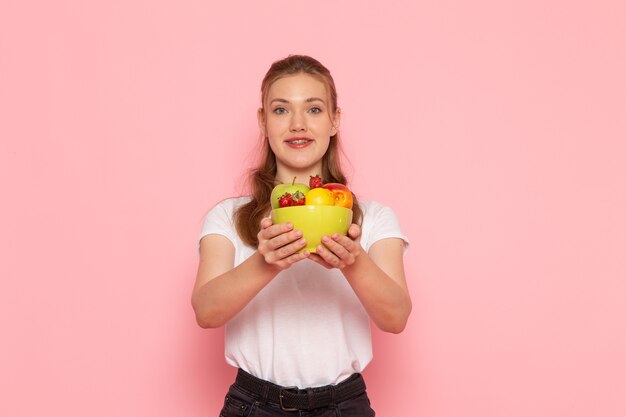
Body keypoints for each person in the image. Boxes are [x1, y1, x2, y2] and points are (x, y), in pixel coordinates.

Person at [192, 54, 411, 416]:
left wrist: (352, 262)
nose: (297, 124)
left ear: (334, 120)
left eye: (313, 109)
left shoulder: (372, 218)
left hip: (344, 406)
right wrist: (266, 263)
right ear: (263, 121)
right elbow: (206, 311)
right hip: (254, 405)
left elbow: (396, 317)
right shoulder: (228, 217)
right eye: (280, 110)